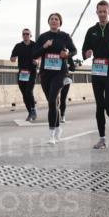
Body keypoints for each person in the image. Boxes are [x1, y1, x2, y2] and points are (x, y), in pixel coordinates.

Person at [82, 0, 109, 149]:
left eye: (104, 11)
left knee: (108, 104)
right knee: (99, 106)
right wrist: (86, 53)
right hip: (96, 69)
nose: (102, 14)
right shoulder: (91, 30)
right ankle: (102, 139)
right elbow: (84, 50)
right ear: (96, 12)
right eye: (100, 12)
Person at [32, 12, 77, 144]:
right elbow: (34, 54)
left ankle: (51, 134)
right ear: (49, 22)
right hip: (46, 73)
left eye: (56, 19)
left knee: (52, 100)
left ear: (60, 22)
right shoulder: (43, 37)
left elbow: (74, 51)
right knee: (53, 103)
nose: (54, 21)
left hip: (60, 73)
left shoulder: (65, 36)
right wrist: (44, 47)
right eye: (51, 19)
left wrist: (67, 54)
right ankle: (57, 127)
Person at [10, 28, 39, 122]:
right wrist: (13, 59)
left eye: (27, 34)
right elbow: (12, 58)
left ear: (30, 35)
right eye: (24, 34)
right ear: (22, 35)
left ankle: (33, 109)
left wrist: (38, 61)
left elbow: (40, 57)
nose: (25, 35)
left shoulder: (35, 45)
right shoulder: (18, 46)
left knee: (28, 92)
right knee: (24, 94)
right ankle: (30, 112)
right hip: (22, 73)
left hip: (32, 72)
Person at [59, 57, 77, 123]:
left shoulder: (68, 57)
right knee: (54, 98)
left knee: (63, 98)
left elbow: (73, 68)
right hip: (54, 78)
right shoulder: (53, 53)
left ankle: (62, 115)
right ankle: (54, 113)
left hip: (65, 79)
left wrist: (68, 66)